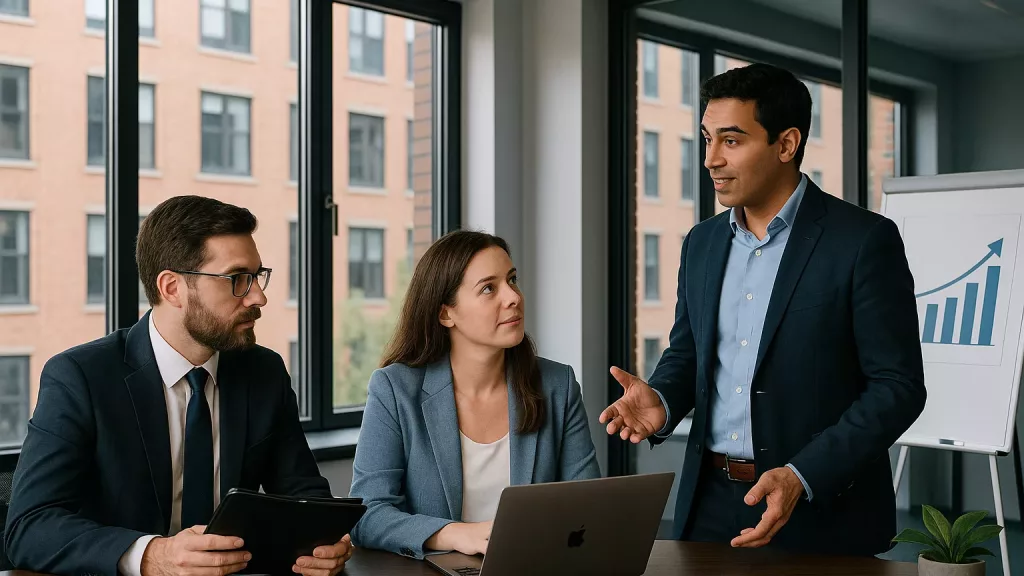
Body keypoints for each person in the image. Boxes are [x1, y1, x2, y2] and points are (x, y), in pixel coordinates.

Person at [600, 63, 926, 556]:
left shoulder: (862, 241)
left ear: (786, 144)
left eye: (731, 140)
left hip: (819, 510)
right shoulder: (701, 244)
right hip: (705, 504)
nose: (710, 159)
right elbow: (688, 354)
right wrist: (663, 401)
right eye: (707, 138)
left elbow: (897, 388)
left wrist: (803, 474)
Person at [5, 196, 352, 576]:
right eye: (238, 279)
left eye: (257, 276)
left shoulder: (263, 371)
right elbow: (29, 527)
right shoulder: (80, 377)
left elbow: (304, 495)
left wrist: (325, 541)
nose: (258, 297)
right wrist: (153, 555)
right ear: (172, 288)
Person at [349, 230, 601, 560]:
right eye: (488, 288)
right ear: (445, 314)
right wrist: (453, 534)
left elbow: (589, 509)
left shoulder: (556, 385)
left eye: (512, 280)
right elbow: (367, 514)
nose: (513, 297)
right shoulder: (394, 389)